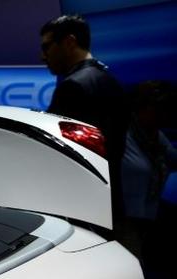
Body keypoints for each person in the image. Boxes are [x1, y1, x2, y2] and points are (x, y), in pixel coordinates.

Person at [39, 15, 127, 225]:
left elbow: (64, 156)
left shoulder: (73, 87)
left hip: (81, 207)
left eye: (47, 47)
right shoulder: (109, 79)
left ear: (69, 42)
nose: (43, 56)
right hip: (108, 201)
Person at [119, 81, 177, 259]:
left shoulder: (154, 135)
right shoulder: (121, 134)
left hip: (147, 221)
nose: (165, 116)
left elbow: (173, 159)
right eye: (159, 109)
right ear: (141, 106)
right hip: (123, 221)